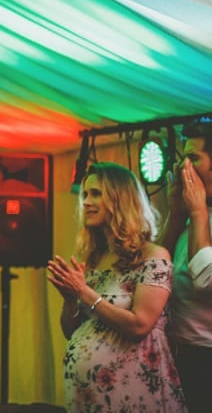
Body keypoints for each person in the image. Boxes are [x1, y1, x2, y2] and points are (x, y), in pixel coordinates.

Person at [47, 162, 186, 412]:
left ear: (120, 198)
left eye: (96, 194)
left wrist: (85, 293)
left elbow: (140, 325)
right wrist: (70, 300)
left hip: (134, 394)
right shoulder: (96, 259)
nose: (86, 202)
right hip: (90, 399)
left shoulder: (154, 256)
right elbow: (71, 332)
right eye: (85, 195)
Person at [159, 120, 212, 412]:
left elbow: (206, 280)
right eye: (182, 156)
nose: (183, 165)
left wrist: (198, 214)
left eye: (193, 157)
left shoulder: (201, 213)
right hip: (176, 353)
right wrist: (177, 215)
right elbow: (153, 273)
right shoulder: (192, 213)